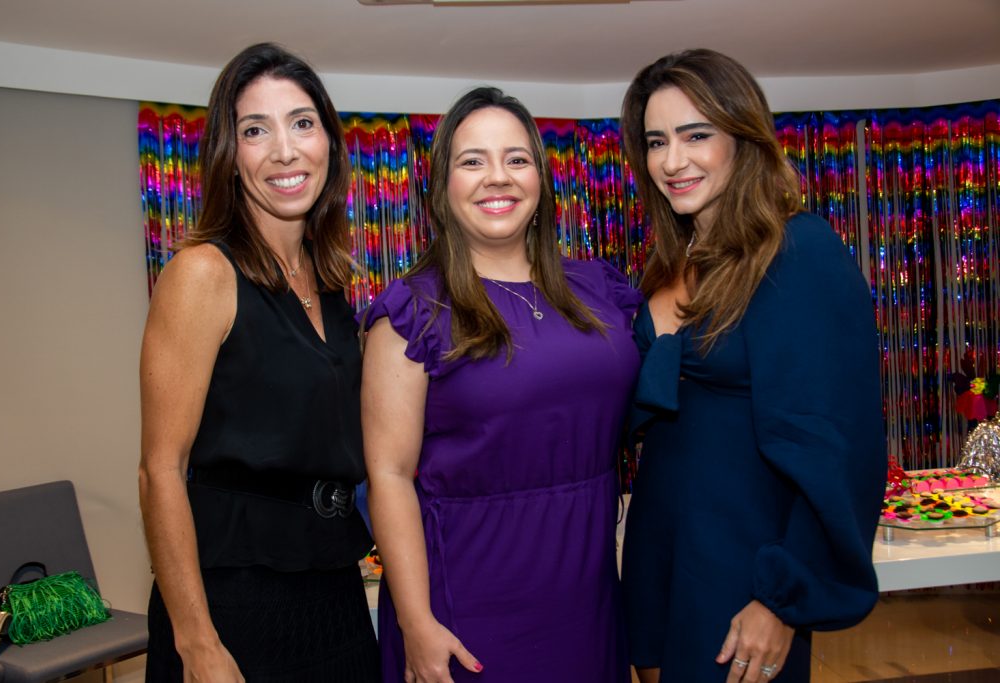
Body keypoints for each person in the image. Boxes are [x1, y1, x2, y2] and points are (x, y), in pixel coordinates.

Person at [618, 49, 886, 683]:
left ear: (743, 137)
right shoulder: (666, 265)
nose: (672, 160)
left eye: (696, 135)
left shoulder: (799, 251)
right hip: (657, 551)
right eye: (657, 142)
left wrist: (782, 598)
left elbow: (838, 446)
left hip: (744, 569)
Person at [360, 87, 641, 683]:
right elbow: (387, 476)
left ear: (541, 181)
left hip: (586, 594)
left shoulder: (601, 292)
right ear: (442, 189)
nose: (498, 178)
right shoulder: (413, 311)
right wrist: (415, 622)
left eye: (517, 159)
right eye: (472, 161)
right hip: (468, 603)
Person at [138, 42, 379, 682]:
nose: (284, 149)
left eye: (302, 122)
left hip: (333, 587)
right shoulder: (202, 275)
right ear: (230, 155)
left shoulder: (330, 286)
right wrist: (196, 643)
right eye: (255, 130)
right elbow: (161, 470)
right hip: (232, 598)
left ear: (328, 140)